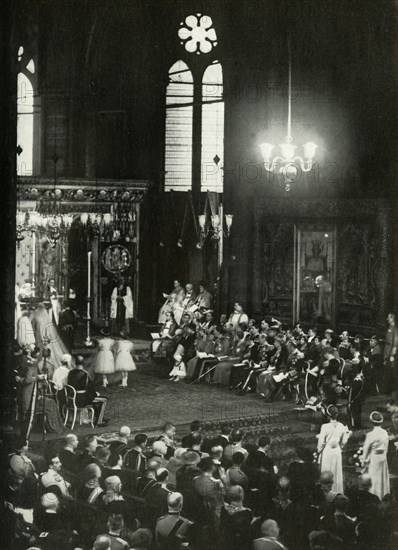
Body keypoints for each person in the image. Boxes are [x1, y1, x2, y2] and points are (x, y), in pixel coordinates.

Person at [317, 405, 351, 494]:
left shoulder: (325, 426)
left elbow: (321, 443)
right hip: (337, 451)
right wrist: (340, 446)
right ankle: (337, 491)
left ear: (328, 416)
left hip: (328, 451)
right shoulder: (341, 426)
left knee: (327, 471)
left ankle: (327, 493)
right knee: (336, 471)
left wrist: (319, 450)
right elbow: (344, 441)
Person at [67, 355, 108, 426]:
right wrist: (96, 394)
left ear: (75, 362)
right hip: (81, 400)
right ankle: (99, 421)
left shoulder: (70, 373)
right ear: (83, 363)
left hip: (71, 399)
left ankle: (99, 417)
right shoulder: (85, 374)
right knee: (104, 400)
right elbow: (91, 390)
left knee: (94, 400)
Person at [361, 411, 390, 499]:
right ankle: (383, 495)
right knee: (382, 478)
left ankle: (374, 497)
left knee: (374, 478)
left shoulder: (370, 434)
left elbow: (365, 450)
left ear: (371, 421)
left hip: (374, 459)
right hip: (383, 458)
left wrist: (364, 462)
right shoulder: (385, 432)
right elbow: (386, 447)